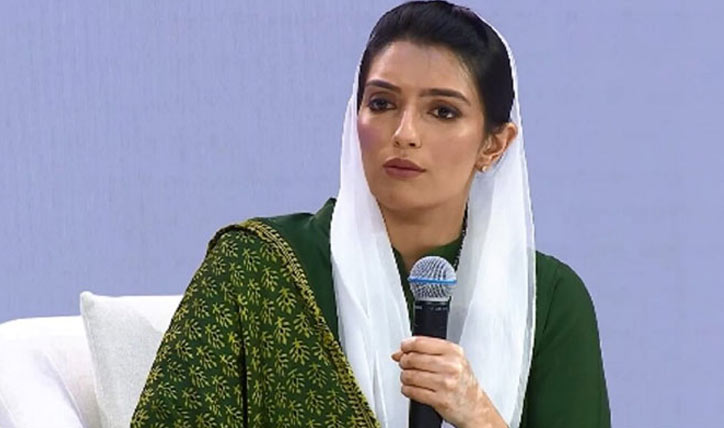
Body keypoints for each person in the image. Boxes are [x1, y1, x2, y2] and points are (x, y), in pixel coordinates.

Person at [131, 1, 611, 427]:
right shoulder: (255, 267)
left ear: (494, 144)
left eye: (442, 112)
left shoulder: (547, 299)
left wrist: (478, 415)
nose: (404, 133)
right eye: (382, 103)